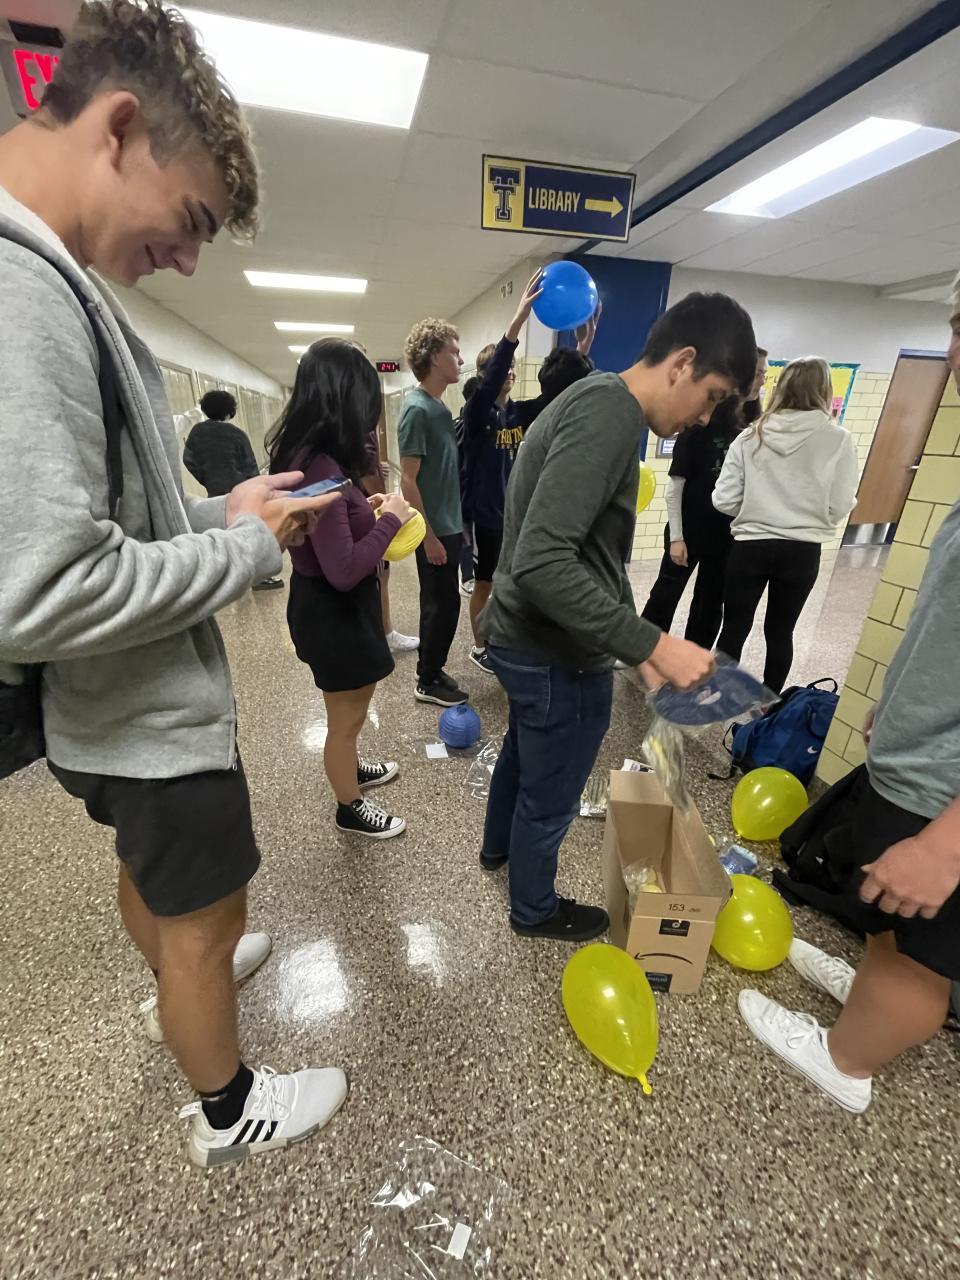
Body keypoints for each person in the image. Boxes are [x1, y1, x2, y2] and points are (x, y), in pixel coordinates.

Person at [0, 0, 348, 1168]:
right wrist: (246, 552)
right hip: (147, 721)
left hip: (107, 716)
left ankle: (178, 978)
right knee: (210, 915)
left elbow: (106, 527)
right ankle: (227, 1107)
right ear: (117, 127)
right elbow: (39, 588)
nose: (190, 258)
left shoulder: (56, 284)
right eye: (191, 218)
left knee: (154, 884)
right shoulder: (22, 293)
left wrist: (226, 514)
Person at [738, 283, 960, 1110]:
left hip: (946, 794)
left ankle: (847, 1060)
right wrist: (896, 699)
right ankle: (870, 993)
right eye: (956, 326)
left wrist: (949, 843)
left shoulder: (758, 435)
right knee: (891, 914)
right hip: (923, 757)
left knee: (923, 949)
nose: (955, 352)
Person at [479, 293, 758, 941]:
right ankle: (533, 909)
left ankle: (497, 850)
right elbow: (543, 561)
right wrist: (654, 643)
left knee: (523, 751)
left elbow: (591, 557)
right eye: (711, 397)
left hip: (525, 637)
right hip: (554, 649)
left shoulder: (597, 399)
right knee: (551, 792)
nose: (704, 418)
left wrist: (638, 648)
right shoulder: (609, 411)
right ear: (682, 363)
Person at [268, 340, 412, 840]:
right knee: (345, 720)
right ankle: (349, 806)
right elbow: (345, 570)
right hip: (335, 612)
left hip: (328, 608)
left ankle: (349, 765)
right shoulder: (322, 470)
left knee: (350, 714)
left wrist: (363, 510)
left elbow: (331, 536)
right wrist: (391, 520)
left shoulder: (309, 457)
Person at [461, 274, 599, 673]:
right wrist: (517, 324)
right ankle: (480, 646)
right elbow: (488, 384)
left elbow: (558, 394)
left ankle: (507, 636)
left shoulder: (518, 413)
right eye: (500, 368)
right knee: (485, 582)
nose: (508, 372)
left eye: (510, 368)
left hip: (515, 516)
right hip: (486, 517)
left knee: (512, 582)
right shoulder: (476, 413)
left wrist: (584, 347)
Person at [713, 356, 859, 693]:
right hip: (802, 550)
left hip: (750, 546)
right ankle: (771, 702)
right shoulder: (838, 439)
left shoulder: (750, 436)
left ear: (781, 387)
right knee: (780, 631)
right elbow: (841, 503)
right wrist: (814, 517)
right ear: (825, 389)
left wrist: (756, 508)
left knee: (734, 626)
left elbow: (723, 499)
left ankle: (717, 695)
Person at [641, 348, 768, 646]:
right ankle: (643, 652)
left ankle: (692, 659)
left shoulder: (757, 427)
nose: (762, 380)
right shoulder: (702, 418)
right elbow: (676, 485)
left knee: (710, 605)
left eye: (765, 373)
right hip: (689, 529)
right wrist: (677, 537)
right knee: (665, 595)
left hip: (728, 535)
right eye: (757, 373)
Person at [398, 318, 468, 707]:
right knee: (439, 606)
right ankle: (426, 681)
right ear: (434, 356)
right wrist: (428, 537)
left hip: (449, 524)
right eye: (454, 352)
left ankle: (432, 666)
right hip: (434, 529)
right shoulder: (417, 409)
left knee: (445, 604)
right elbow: (408, 480)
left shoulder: (439, 407)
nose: (461, 359)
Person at [185, 389, 283, 592]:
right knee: (247, 531)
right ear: (230, 411)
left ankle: (225, 580)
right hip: (241, 491)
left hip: (214, 491)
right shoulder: (236, 434)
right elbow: (250, 466)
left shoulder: (197, 432)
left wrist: (205, 478)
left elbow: (189, 460)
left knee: (220, 534)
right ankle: (258, 578)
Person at [360, 421, 419, 655]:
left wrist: (376, 468)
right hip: (366, 514)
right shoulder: (359, 427)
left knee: (379, 575)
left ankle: (381, 632)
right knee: (379, 575)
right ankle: (384, 634)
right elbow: (367, 474)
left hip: (358, 510)